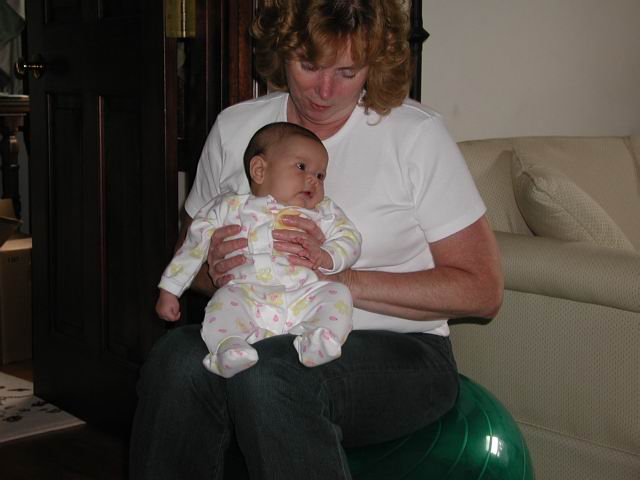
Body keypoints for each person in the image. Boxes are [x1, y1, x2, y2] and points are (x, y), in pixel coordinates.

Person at [130, 1, 503, 479]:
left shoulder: (416, 136)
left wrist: (339, 278)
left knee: (273, 373)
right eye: (309, 65)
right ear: (282, 50)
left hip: (400, 351)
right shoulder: (236, 128)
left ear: (374, 64)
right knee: (175, 360)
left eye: (348, 72)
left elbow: (482, 290)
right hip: (257, 327)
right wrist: (214, 271)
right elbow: (189, 253)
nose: (325, 91)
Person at [155, 122, 361, 378]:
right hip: (247, 294)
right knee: (222, 304)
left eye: (321, 175)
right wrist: (170, 289)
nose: (313, 180)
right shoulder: (229, 207)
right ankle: (229, 347)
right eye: (302, 167)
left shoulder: (324, 211)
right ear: (259, 170)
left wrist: (328, 256)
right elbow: (193, 245)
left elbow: (350, 238)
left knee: (337, 293)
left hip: (303, 295)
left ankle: (317, 339)